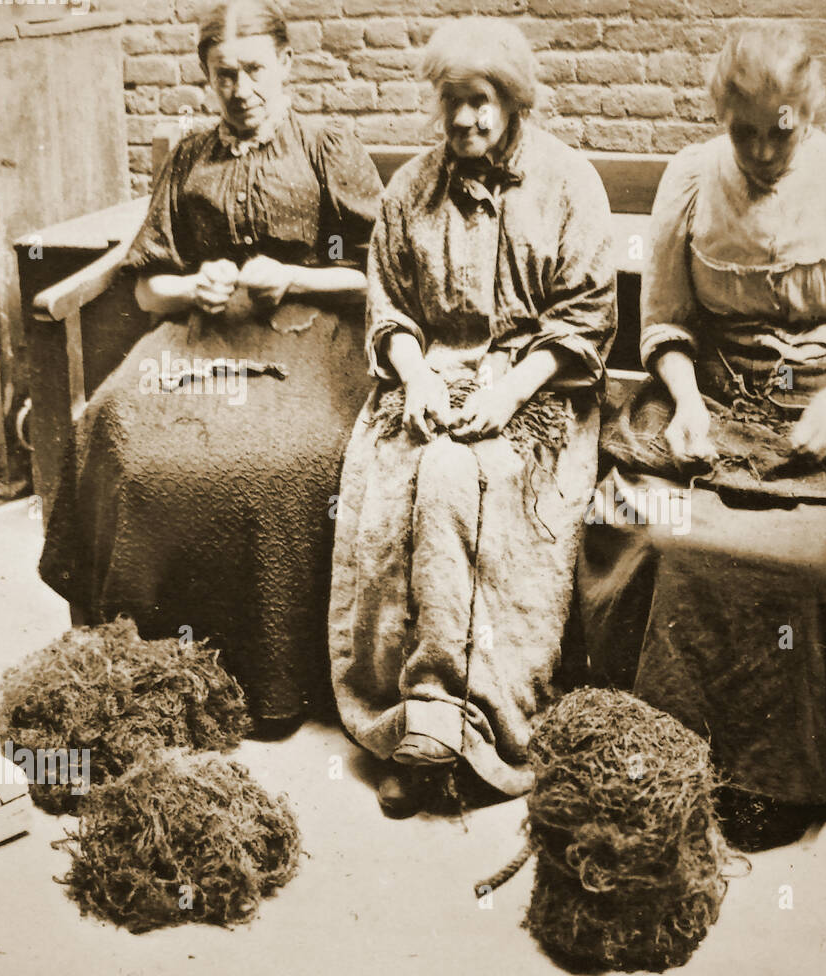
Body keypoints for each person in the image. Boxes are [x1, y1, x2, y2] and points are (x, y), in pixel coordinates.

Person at [578, 27, 826, 851]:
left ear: (811, 113)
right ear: (721, 117)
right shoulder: (691, 181)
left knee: (802, 565)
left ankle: (778, 776)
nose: (765, 151)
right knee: (655, 533)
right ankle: (661, 756)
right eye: (746, 134)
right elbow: (665, 325)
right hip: (717, 398)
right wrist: (686, 402)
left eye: (784, 131)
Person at [39, 0, 383, 723]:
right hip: (199, 339)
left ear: (287, 66)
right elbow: (147, 284)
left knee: (279, 461)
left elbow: (379, 273)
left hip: (311, 338)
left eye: (256, 70)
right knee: (119, 430)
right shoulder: (191, 156)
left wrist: (295, 278)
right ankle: (140, 661)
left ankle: (274, 678)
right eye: (225, 74)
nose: (242, 90)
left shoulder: (326, 146)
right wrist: (193, 284)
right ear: (206, 77)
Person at [328, 18, 616, 815]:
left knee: (460, 477)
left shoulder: (568, 184)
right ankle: (410, 717)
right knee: (394, 484)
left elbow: (586, 319)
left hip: (541, 392)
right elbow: (387, 301)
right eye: (453, 103)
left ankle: (473, 720)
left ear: (513, 103)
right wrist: (415, 372)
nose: (466, 121)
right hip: (431, 379)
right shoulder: (411, 189)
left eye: (482, 103)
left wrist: (508, 391)